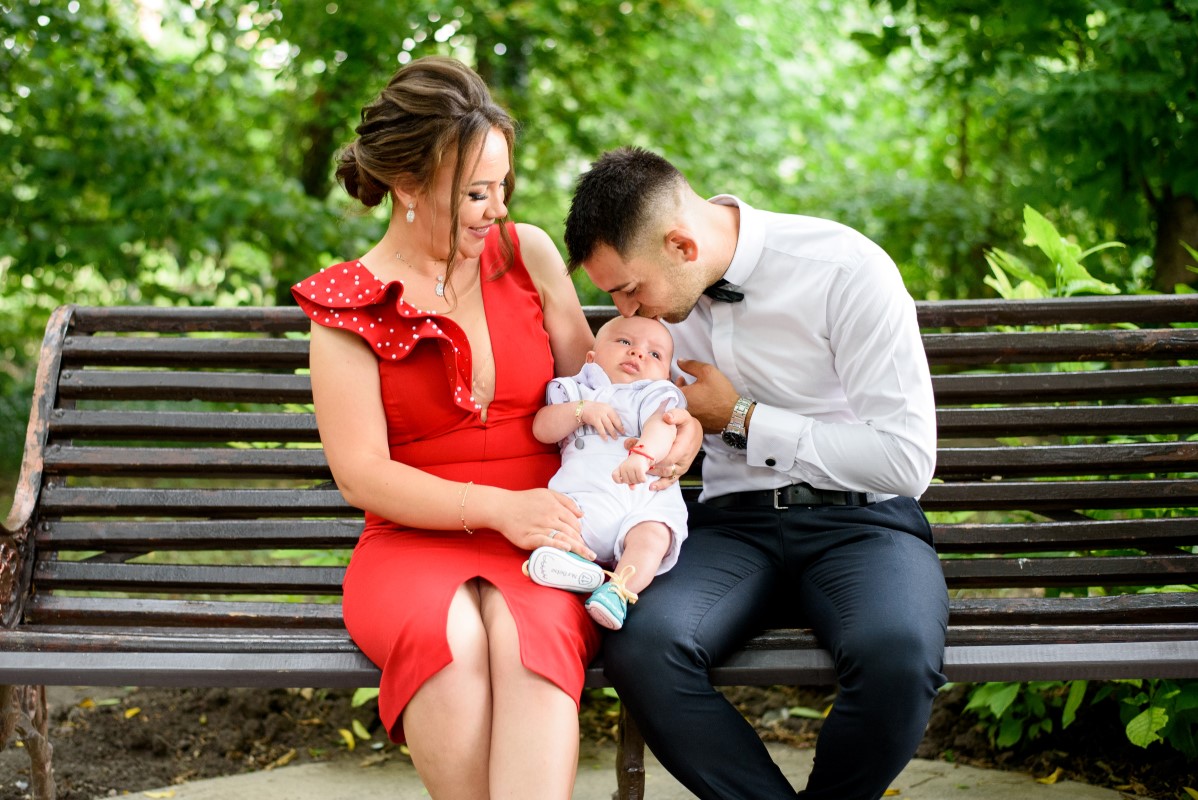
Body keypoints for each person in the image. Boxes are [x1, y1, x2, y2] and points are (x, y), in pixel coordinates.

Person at [563, 146, 950, 800]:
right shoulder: (652, 321)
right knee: (643, 647)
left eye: (630, 289)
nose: (626, 310)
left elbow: (906, 459)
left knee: (897, 655)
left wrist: (742, 419)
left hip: (863, 521)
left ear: (682, 246)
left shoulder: (845, 269)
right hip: (730, 528)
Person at [290, 56, 616, 799]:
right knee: (453, 641)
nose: (495, 209)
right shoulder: (349, 305)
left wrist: (661, 417)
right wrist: (500, 509)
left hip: (547, 529)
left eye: (502, 187)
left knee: (528, 633)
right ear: (408, 186)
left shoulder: (527, 255)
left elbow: (596, 389)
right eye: (474, 192)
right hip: (410, 539)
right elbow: (361, 474)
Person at [524, 315, 690, 630]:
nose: (638, 353)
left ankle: (617, 591)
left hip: (645, 501)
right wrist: (581, 411)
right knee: (562, 523)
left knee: (654, 536)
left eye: (654, 354)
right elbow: (542, 428)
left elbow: (663, 428)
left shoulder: (654, 394)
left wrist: (642, 456)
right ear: (591, 358)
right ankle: (572, 565)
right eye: (625, 342)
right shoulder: (575, 390)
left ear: (666, 375)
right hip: (584, 499)